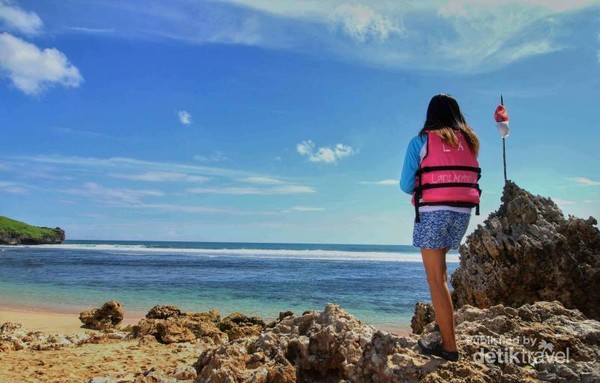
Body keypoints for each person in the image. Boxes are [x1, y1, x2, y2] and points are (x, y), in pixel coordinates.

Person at [399, 94, 481, 362]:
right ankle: (444, 328)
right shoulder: (470, 142)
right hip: (462, 213)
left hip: (434, 213)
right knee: (441, 274)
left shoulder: (421, 141)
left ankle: (449, 347)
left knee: (437, 280)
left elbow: (406, 185)